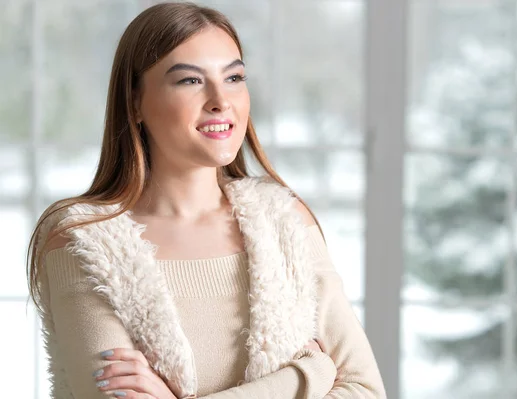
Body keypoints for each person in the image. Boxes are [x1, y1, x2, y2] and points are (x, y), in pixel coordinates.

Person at [27, 2, 386, 398]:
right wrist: (308, 376)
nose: (220, 99)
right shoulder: (83, 238)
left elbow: (365, 390)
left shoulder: (284, 220)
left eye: (234, 77)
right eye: (189, 81)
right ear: (135, 102)